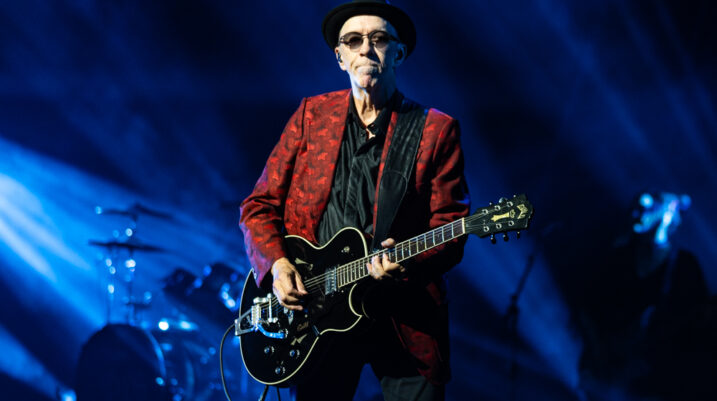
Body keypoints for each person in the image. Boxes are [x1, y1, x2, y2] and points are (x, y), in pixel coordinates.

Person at [239, 1, 470, 400]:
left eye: (378, 39)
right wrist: (277, 265)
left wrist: (408, 263)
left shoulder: (435, 130)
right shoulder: (311, 116)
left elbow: (451, 227)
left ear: (398, 53)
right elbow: (258, 206)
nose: (366, 48)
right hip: (317, 314)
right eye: (353, 40)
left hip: (404, 315)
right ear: (339, 57)